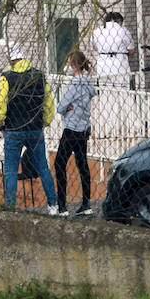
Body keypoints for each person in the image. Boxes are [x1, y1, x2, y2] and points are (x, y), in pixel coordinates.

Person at [0, 41, 58, 213]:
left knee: (11, 170)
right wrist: (44, 122)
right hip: (35, 128)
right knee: (43, 167)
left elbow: (0, 104)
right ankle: (53, 205)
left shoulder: (6, 77)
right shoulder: (39, 76)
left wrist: (0, 124)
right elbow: (49, 103)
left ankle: (11, 207)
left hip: (13, 129)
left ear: (10, 58)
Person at [54, 49, 97, 216]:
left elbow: (60, 107)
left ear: (73, 65)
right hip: (83, 128)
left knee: (59, 163)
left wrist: (68, 108)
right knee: (82, 164)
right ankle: (86, 203)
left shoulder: (74, 83)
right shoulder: (87, 82)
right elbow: (91, 95)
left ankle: (62, 206)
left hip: (71, 128)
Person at [91, 11, 136, 88]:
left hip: (103, 65)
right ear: (118, 20)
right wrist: (122, 53)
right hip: (120, 64)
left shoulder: (97, 31)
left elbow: (94, 47)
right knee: (123, 90)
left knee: (105, 90)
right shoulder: (123, 30)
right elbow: (131, 50)